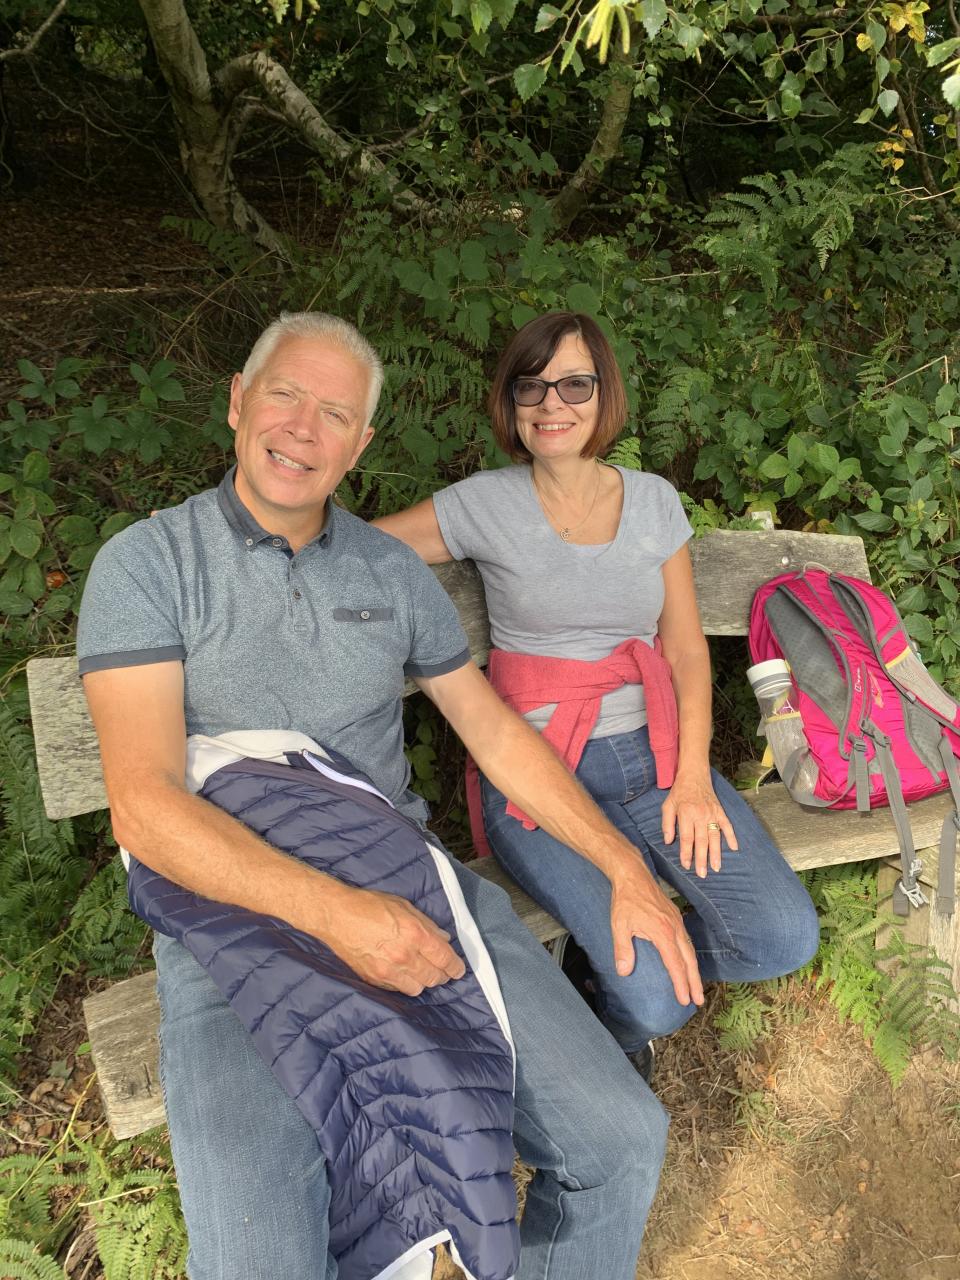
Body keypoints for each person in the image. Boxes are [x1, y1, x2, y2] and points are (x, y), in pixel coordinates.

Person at [77, 311, 699, 1280]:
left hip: (412, 882)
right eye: (284, 393)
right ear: (239, 401)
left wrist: (625, 865)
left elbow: (494, 731)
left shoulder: (386, 567)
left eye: (336, 412)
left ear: (361, 443)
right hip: (229, 917)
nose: (303, 427)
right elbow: (146, 806)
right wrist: (338, 916)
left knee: (619, 1139)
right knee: (256, 1261)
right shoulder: (150, 562)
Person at [374, 311, 820, 1074]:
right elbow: (359, 547)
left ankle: (596, 996)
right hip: (538, 780)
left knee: (783, 937)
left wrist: (691, 779)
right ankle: (623, 1005)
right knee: (658, 1002)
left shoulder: (653, 503)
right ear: (511, 403)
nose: (553, 404)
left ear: (603, 393)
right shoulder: (484, 503)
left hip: (656, 760)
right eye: (532, 386)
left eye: (574, 384)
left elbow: (683, 651)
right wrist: (248, 530)